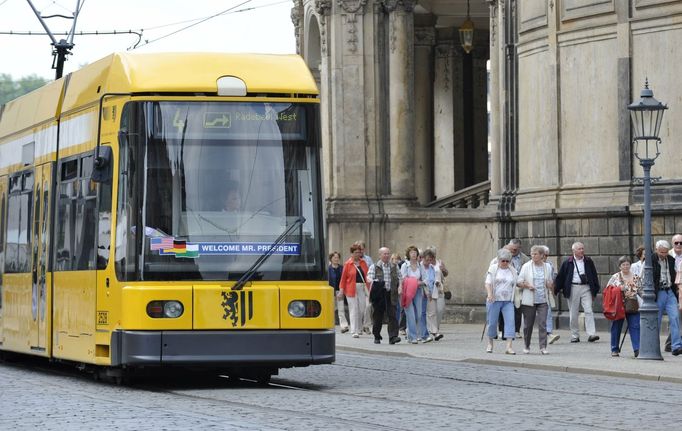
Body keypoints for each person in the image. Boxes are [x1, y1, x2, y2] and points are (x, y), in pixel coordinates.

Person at [555, 241, 600, 343]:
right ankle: (575, 335)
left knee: (588, 310)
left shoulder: (588, 261)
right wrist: (556, 289)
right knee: (573, 312)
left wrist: (595, 290)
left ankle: (591, 334)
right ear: (574, 250)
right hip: (573, 287)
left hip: (586, 288)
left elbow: (594, 275)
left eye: (582, 248)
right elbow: (561, 277)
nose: (582, 251)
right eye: (579, 249)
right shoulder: (568, 262)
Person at [516, 245, 554, 355]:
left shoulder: (547, 266)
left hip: (543, 299)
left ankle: (543, 347)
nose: (533, 256)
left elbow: (550, 282)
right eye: (532, 254)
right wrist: (527, 286)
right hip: (529, 300)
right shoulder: (526, 266)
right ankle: (526, 345)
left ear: (542, 255)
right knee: (528, 324)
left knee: (543, 323)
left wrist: (549, 284)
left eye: (536, 254)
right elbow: (519, 282)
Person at [606, 256, 641, 357]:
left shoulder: (636, 277)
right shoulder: (615, 277)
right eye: (623, 265)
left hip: (632, 304)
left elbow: (641, 290)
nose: (626, 266)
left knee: (635, 326)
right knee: (616, 326)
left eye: (627, 264)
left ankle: (637, 349)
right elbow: (608, 290)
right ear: (619, 266)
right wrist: (618, 289)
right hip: (618, 305)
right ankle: (614, 349)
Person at [484, 248, 517, 354]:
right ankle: (490, 343)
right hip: (494, 300)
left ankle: (509, 347)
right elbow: (488, 283)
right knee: (492, 323)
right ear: (498, 260)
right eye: (503, 260)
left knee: (510, 322)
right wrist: (489, 294)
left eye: (507, 261)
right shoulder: (493, 269)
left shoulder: (513, 270)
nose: (505, 263)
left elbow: (516, 282)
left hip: (508, 301)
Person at [652, 240, 682, 356]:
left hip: (670, 291)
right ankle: (654, 346)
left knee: (675, 318)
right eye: (661, 252)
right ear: (656, 250)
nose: (664, 255)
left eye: (665, 252)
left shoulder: (671, 259)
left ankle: (676, 347)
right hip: (658, 292)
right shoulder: (651, 260)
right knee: (657, 321)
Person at [367, 247, 401, 344]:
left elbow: (400, 277)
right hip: (379, 294)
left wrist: (400, 287)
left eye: (388, 253)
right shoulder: (374, 266)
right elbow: (369, 277)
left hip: (391, 293)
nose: (387, 255)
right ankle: (377, 335)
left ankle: (393, 336)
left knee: (392, 315)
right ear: (380, 255)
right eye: (384, 254)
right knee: (378, 316)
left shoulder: (394, 266)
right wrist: (376, 281)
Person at [338, 243, 369, 338]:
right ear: (351, 253)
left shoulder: (363, 263)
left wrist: (369, 288)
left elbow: (367, 276)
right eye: (355, 252)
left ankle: (359, 328)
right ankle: (354, 330)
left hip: (362, 287)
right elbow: (343, 279)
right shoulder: (348, 264)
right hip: (351, 288)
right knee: (353, 309)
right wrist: (341, 290)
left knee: (362, 308)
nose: (357, 254)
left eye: (359, 252)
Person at [500, 239, 528, 338]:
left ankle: (516, 330)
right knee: (502, 308)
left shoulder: (525, 258)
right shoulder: (503, 257)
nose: (513, 251)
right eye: (511, 249)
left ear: (519, 248)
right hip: (505, 286)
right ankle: (501, 330)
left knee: (517, 309)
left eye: (515, 250)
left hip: (518, 286)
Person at [399, 245, 427, 344]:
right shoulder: (405, 266)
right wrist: (414, 282)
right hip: (407, 291)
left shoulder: (420, 266)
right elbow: (403, 279)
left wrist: (420, 283)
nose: (414, 254)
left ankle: (409, 334)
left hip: (418, 291)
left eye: (415, 252)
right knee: (410, 314)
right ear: (408, 254)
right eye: (412, 252)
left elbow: (425, 279)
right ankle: (413, 336)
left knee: (418, 314)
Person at [421, 249, 442, 342]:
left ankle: (435, 332)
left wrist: (437, 283)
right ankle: (418, 332)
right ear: (423, 258)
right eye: (427, 260)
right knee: (420, 314)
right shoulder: (419, 267)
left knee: (432, 313)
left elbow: (437, 278)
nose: (428, 262)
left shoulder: (432, 268)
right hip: (421, 293)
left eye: (430, 260)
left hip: (431, 292)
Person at [542, 246, 560, 345]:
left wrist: (552, 292)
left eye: (547, 255)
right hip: (533, 295)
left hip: (546, 293)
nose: (545, 257)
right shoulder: (529, 265)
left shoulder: (549, 265)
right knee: (530, 318)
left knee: (548, 313)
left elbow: (552, 280)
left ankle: (549, 334)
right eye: (544, 255)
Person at [328, 251, 349, 333]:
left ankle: (344, 326)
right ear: (331, 259)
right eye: (334, 257)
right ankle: (330, 326)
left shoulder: (342, 268)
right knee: (331, 309)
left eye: (337, 257)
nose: (336, 259)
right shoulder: (328, 269)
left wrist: (342, 290)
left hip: (340, 291)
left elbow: (345, 280)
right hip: (331, 292)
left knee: (341, 309)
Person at [356, 241, 374, 335]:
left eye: (361, 249)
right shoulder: (353, 260)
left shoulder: (368, 259)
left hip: (367, 285)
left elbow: (372, 271)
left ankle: (366, 325)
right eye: (358, 250)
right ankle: (358, 327)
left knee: (368, 306)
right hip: (357, 286)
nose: (360, 252)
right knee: (359, 307)